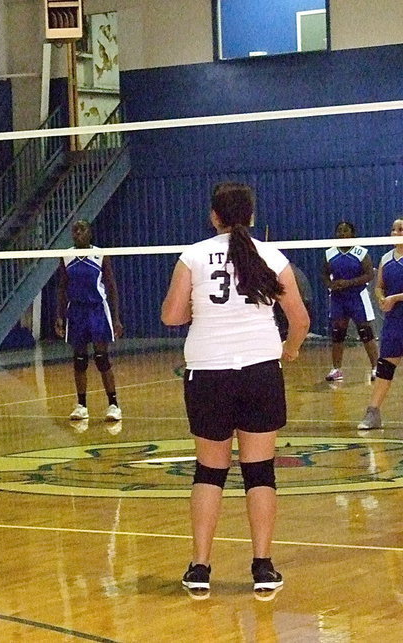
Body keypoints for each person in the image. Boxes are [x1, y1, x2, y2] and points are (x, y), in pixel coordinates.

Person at [161, 182, 309, 597]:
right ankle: (262, 568)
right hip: (260, 370)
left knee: (210, 471)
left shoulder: (192, 256)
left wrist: (201, 308)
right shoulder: (272, 257)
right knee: (259, 471)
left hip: (208, 372)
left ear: (214, 217)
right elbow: (299, 319)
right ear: (252, 216)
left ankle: (199, 568)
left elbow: (171, 316)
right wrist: (290, 350)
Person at [54, 220, 123, 422]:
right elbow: (61, 287)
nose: (78, 233)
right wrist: (59, 315)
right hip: (76, 311)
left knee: (101, 358)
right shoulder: (66, 256)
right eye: (74, 230)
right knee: (80, 359)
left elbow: (111, 287)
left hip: (97, 310)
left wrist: (116, 318)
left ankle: (113, 405)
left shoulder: (100, 254)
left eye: (82, 229)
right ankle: (81, 405)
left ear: (90, 232)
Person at [357, 218, 403, 429]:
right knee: (385, 366)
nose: (395, 232)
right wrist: (381, 297)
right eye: (393, 229)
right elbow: (379, 286)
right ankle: (373, 413)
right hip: (395, 320)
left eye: (400, 229)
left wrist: (396, 298)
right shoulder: (386, 258)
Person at [321, 221, 378, 382]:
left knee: (365, 332)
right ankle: (336, 369)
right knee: (338, 334)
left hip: (357, 297)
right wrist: (331, 285)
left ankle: (376, 367)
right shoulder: (330, 253)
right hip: (338, 299)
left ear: (352, 233)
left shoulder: (361, 252)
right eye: (339, 231)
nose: (342, 233)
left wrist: (349, 283)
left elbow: (369, 275)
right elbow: (324, 274)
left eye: (345, 231)